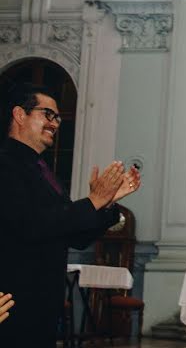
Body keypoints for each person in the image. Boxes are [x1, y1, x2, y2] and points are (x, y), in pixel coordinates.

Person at [0, 82, 142, 348]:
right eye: (47, 114)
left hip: (42, 302)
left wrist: (106, 204)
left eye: (58, 117)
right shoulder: (5, 164)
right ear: (20, 115)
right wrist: (92, 201)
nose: (55, 123)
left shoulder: (44, 170)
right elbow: (31, 224)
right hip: (13, 300)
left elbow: (74, 236)